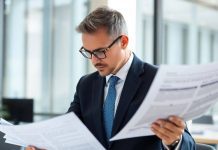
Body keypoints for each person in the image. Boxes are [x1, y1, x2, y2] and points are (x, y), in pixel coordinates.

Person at [27, 6, 196, 150]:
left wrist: (174, 141)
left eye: (100, 51)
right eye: (88, 52)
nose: (94, 60)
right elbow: (68, 129)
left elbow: (189, 145)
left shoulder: (159, 80)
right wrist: (46, 144)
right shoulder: (86, 84)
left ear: (123, 42)